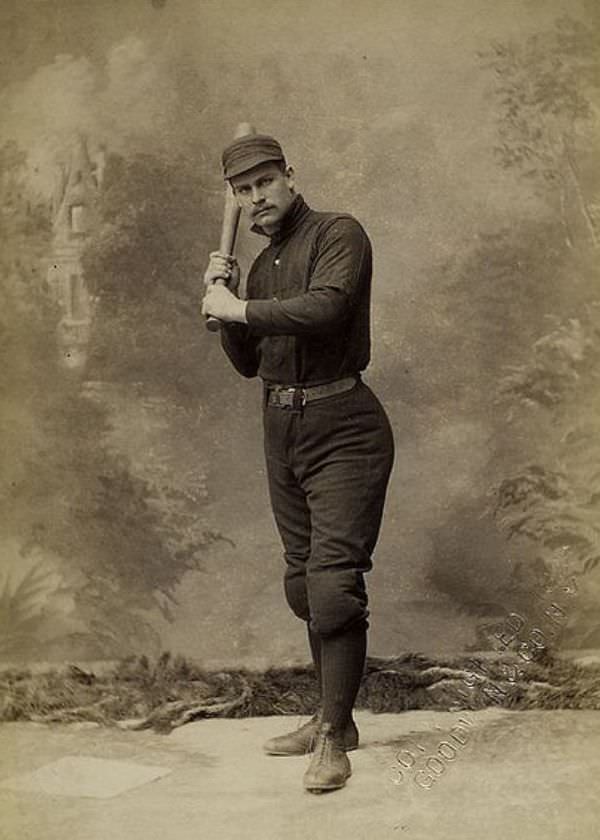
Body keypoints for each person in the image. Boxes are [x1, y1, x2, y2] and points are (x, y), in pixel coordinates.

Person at [202, 134, 394, 793]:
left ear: (290, 176)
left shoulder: (339, 234)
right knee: (301, 584)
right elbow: (248, 360)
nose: (256, 197)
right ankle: (329, 719)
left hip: (345, 426)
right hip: (281, 426)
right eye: (243, 189)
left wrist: (241, 308)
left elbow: (327, 308)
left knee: (335, 583)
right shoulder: (257, 267)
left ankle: (335, 738)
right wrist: (224, 299)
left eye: (265, 182)